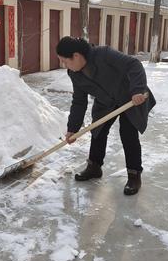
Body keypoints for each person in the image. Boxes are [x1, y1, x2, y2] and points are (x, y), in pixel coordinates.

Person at [56, 36, 156, 195]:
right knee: (98, 131)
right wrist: (73, 129)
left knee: (128, 134)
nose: (64, 65)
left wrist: (137, 89)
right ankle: (94, 167)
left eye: (65, 61)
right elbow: (79, 102)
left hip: (129, 97)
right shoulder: (75, 74)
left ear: (76, 56)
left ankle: (134, 175)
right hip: (105, 103)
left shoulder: (103, 54)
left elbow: (133, 64)